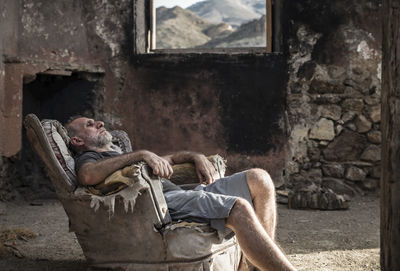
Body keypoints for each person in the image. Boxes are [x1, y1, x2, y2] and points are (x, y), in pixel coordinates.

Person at [66, 116, 297, 271]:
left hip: (184, 193)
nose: (98, 122)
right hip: (160, 204)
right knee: (239, 208)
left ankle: (258, 265)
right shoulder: (90, 157)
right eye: (89, 125)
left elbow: (172, 159)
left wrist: (195, 157)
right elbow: (87, 176)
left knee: (260, 178)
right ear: (77, 140)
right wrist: (140, 154)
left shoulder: (116, 152)